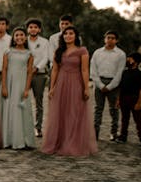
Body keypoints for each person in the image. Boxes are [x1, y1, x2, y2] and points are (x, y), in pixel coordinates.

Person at [41, 26, 98, 156]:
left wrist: (86, 87)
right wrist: (52, 87)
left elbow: (84, 70)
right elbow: (55, 70)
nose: (68, 36)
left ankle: (73, 143)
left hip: (76, 83)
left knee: (74, 112)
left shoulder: (82, 51)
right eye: (65, 34)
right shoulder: (58, 51)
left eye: (71, 33)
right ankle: (58, 142)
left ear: (76, 36)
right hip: (61, 83)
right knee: (60, 112)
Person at [0, 27, 35, 149]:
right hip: (9, 84)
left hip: (22, 84)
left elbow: (30, 72)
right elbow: (4, 69)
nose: (19, 37)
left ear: (25, 37)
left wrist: (26, 89)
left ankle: (24, 140)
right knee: (10, 110)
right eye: (17, 35)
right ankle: (9, 140)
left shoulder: (29, 54)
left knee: (22, 110)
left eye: (21, 35)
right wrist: (4, 86)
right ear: (13, 38)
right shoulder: (8, 52)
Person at [90, 30, 126, 141]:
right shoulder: (97, 53)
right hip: (99, 82)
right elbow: (93, 70)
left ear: (116, 40)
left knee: (114, 109)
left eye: (112, 38)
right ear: (104, 39)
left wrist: (110, 86)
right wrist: (100, 85)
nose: (110, 40)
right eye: (108, 37)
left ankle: (113, 133)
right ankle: (95, 133)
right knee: (98, 109)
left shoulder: (120, 54)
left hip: (114, 84)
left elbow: (120, 72)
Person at [116, 52, 141, 147]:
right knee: (124, 119)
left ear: (136, 61)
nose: (128, 60)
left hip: (134, 99)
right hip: (123, 98)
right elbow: (120, 87)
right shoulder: (125, 72)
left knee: (138, 120)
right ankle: (123, 136)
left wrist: (139, 102)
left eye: (130, 58)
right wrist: (118, 99)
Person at [26, 18, 50, 137]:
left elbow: (46, 57)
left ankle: (38, 127)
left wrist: (37, 67)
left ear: (39, 29)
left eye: (35, 27)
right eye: (30, 27)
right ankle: (25, 127)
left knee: (38, 102)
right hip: (25, 74)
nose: (33, 29)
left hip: (39, 74)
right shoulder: (23, 40)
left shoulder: (45, 42)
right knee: (23, 100)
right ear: (27, 29)